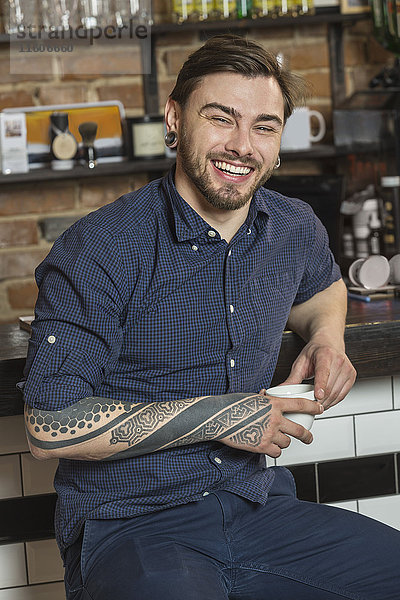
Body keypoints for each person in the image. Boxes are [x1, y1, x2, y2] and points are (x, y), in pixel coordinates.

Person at [20, 34, 400, 600]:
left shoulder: (293, 226)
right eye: (222, 118)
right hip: (133, 525)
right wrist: (224, 418)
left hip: (260, 507)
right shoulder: (100, 247)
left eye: (265, 127)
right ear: (175, 118)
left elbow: (323, 288)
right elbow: (49, 428)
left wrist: (327, 337)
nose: (243, 145)